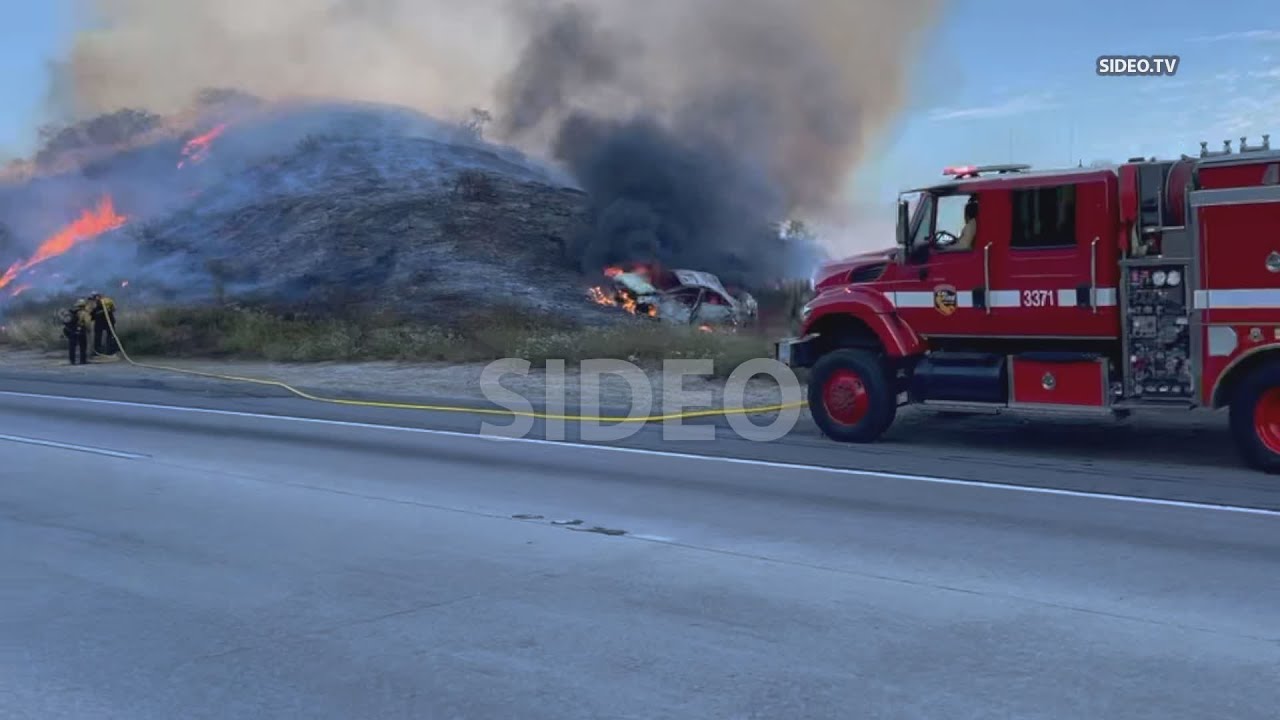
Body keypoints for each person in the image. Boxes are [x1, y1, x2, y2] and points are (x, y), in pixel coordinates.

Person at [88, 291, 117, 356]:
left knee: (108, 336)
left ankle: (105, 352)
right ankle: (105, 352)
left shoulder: (102, 303)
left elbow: (92, 314)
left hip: (104, 321)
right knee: (107, 336)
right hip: (104, 321)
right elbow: (113, 309)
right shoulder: (105, 302)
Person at [63, 299, 91, 365]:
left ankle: (72, 361)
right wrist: (88, 330)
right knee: (83, 347)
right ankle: (82, 361)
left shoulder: (73, 313)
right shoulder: (85, 313)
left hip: (72, 331)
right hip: (81, 331)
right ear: (84, 306)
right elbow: (87, 323)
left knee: (72, 347)